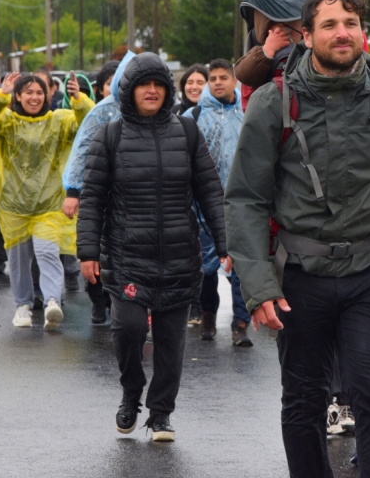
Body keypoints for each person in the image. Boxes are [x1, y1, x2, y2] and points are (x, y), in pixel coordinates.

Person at [224, 0, 370, 478]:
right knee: (303, 401)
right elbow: (246, 200)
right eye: (329, 25)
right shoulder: (275, 100)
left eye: (351, 24)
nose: (342, 33)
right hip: (299, 275)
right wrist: (258, 287)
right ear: (306, 34)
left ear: (363, 33)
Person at [77, 52, 228, 442]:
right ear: (129, 90)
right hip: (127, 256)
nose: (152, 91)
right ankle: (131, 391)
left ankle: (161, 414)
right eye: (144, 84)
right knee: (127, 330)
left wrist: (226, 242)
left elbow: (210, 192)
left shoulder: (187, 133)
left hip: (180, 255)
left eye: (158, 84)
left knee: (171, 342)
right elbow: (92, 198)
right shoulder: (109, 135)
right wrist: (87, 252)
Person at [0, 70, 93, 331]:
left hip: (48, 203)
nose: (34, 97)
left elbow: (88, 125)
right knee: (17, 260)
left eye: (40, 92)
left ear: (49, 94)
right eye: (28, 92)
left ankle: (52, 301)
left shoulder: (59, 120)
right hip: (14, 205)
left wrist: (78, 99)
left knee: (47, 252)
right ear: (18, 95)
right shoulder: (7, 122)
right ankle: (23, 306)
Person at [181, 59, 253, 346]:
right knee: (206, 268)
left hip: (241, 207)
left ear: (235, 81)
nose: (218, 82)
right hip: (202, 208)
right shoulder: (193, 116)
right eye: (213, 78)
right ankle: (208, 314)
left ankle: (241, 323)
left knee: (241, 268)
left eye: (224, 77)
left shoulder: (248, 115)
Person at [62, 53, 135, 323]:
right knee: (98, 253)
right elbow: (81, 152)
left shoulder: (153, 112)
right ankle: (98, 300)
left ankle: (125, 306)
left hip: (138, 203)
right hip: (103, 197)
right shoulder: (101, 112)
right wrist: (73, 191)